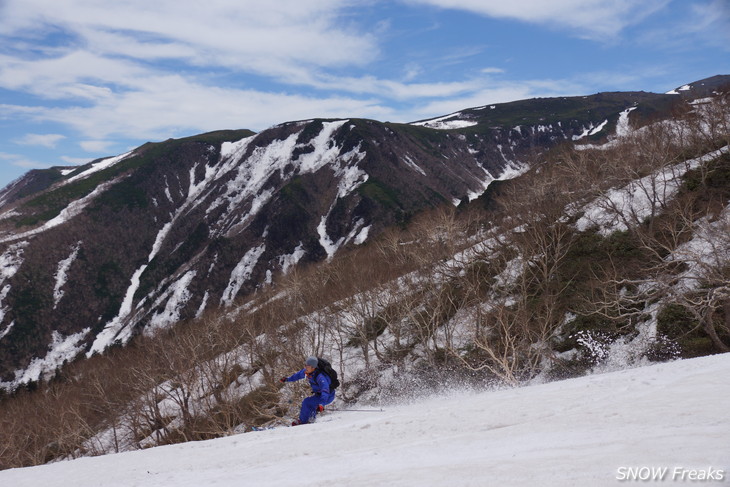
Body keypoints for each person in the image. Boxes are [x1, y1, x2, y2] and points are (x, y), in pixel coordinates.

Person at [280, 356, 335, 425]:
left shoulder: (320, 377)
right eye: (305, 365)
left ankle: (304, 421)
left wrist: (322, 403)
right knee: (310, 403)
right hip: (319, 395)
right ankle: (310, 419)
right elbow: (298, 375)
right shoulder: (308, 371)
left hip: (328, 396)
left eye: (307, 366)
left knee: (307, 402)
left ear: (313, 367)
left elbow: (325, 390)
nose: (305, 367)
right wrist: (287, 379)